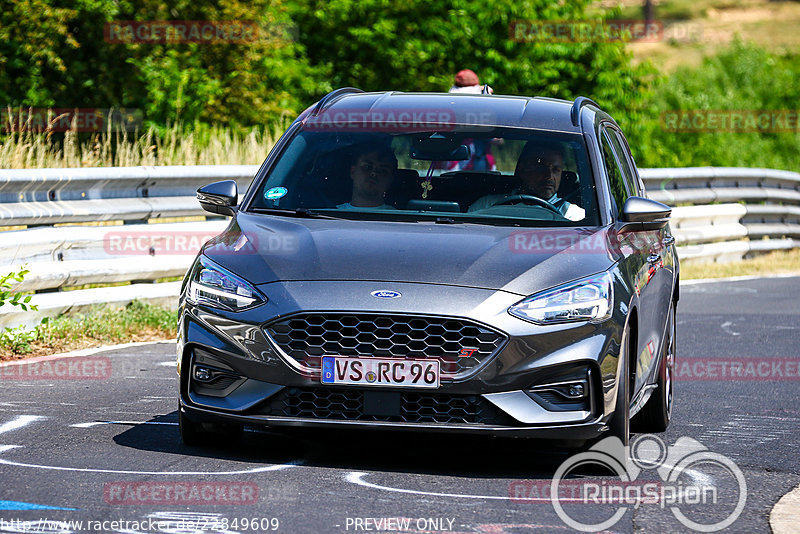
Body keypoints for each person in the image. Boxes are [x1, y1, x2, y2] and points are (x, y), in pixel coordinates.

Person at [468, 141, 585, 221]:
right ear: (522, 169)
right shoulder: (485, 205)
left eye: (556, 170)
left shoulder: (573, 216)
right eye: (541, 168)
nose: (549, 176)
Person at [447, 69, 496, 172]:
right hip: (459, 166)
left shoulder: (448, 113)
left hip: (478, 166)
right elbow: (498, 140)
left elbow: (498, 139)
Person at [337, 143, 398, 210]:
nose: (374, 173)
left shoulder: (400, 217)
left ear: (390, 180)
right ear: (353, 172)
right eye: (367, 167)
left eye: (383, 170)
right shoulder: (330, 215)